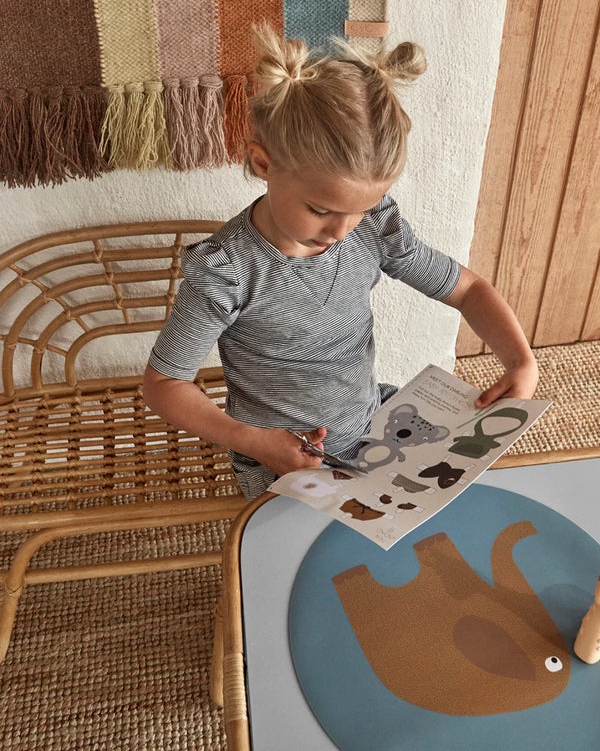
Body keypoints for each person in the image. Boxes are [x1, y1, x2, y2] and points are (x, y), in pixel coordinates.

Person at [143, 25, 539, 499]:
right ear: (262, 162)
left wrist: (520, 360)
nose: (341, 232)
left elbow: (468, 290)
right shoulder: (227, 269)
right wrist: (252, 441)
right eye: (321, 210)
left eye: (363, 210)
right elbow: (165, 383)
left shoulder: (375, 229)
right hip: (283, 460)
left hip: (375, 425)